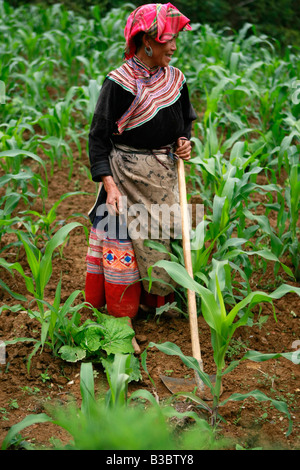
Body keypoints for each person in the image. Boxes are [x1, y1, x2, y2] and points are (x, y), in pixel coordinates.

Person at [85, 3, 197, 353]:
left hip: (161, 176)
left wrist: (184, 143)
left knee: (160, 239)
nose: (173, 47)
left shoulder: (175, 80)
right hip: (124, 176)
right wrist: (110, 184)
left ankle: (153, 305)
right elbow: (98, 138)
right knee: (123, 246)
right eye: (167, 40)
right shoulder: (118, 84)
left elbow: (186, 122)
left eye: (175, 40)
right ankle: (122, 323)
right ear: (147, 41)